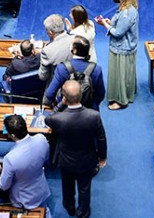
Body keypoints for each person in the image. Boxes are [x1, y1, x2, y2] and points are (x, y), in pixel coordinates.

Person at [45, 80, 107, 218]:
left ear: (64, 97)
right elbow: (101, 138)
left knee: (67, 186)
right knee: (85, 189)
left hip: (66, 161)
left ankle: (69, 206)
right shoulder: (94, 116)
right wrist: (102, 157)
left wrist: (61, 103)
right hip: (87, 160)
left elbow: (47, 119)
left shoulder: (58, 118)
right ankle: (83, 213)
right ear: (81, 95)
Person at [95, 0, 139, 110]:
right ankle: (127, 93)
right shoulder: (125, 9)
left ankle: (121, 100)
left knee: (120, 73)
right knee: (126, 72)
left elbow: (118, 33)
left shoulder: (126, 13)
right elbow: (120, 25)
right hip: (126, 46)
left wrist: (104, 24)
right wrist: (109, 22)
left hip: (122, 48)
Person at [0, 115, 51, 211]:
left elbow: (3, 186)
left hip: (23, 199)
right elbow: (45, 159)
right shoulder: (42, 138)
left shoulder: (10, 158)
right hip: (41, 190)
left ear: (12, 135)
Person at [44, 36, 106, 110]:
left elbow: (50, 94)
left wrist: (58, 103)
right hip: (90, 110)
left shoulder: (62, 68)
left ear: (74, 50)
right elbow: (101, 94)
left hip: (66, 110)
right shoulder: (97, 69)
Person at [38, 14, 74, 83]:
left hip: (59, 84)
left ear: (50, 32)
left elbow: (43, 76)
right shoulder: (76, 39)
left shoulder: (47, 51)